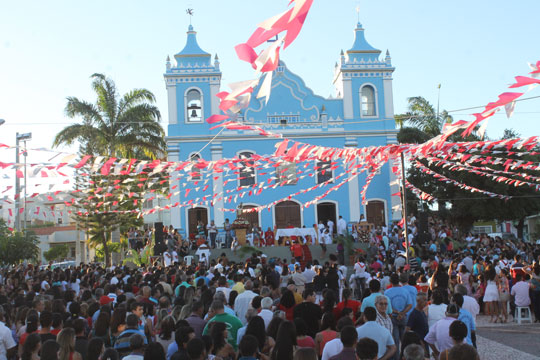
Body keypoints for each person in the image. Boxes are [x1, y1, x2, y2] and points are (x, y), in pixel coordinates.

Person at [384, 274, 413, 354]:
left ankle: (397, 357)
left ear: (390, 281)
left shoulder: (387, 292)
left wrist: (397, 312)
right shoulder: (405, 291)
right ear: (399, 281)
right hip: (404, 317)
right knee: (404, 340)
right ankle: (406, 356)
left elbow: (386, 306)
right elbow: (410, 305)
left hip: (393, 317)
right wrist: (402, 313)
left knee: (395, 340)